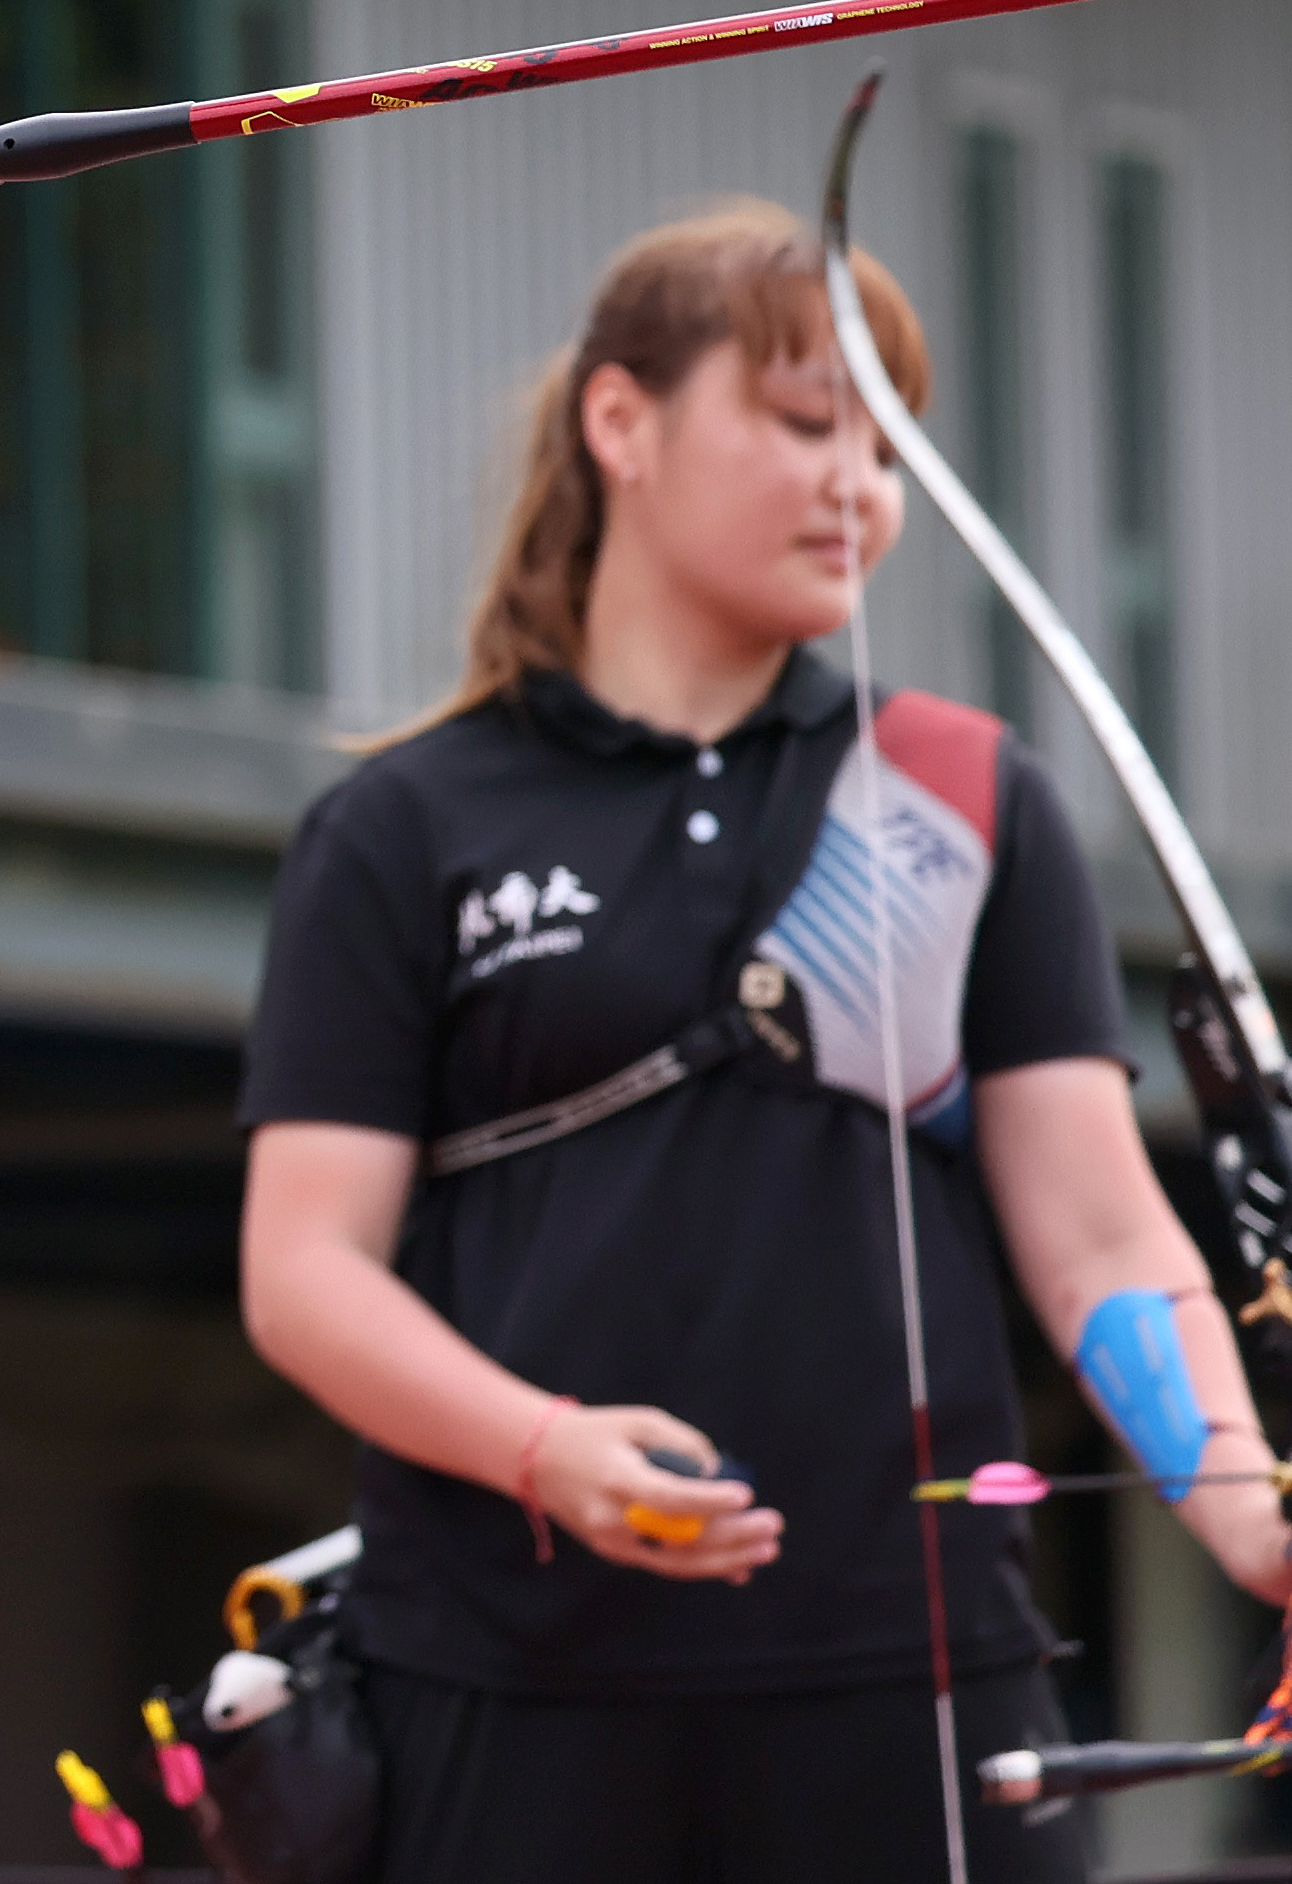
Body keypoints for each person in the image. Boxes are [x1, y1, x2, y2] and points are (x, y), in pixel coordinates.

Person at [234, 202, 1292, 1880]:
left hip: (921, 1673)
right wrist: (540, 1449)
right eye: (807, 426)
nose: (857, 489)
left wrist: (1245, 1504)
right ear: (622, 422)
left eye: (887, 453)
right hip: (503, 1678)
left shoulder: (966, 791)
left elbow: (1098, 1235)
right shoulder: (402, 825)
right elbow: (303, 1271)